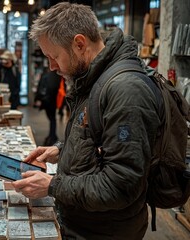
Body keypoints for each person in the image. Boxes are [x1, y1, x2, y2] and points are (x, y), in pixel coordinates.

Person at [11, 2, 162, 240]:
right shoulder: (93, 78)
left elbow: (120, 186)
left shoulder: (126, 91)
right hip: (84, 220)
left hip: (103, 231)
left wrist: (52, 186)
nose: (52, 67)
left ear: (80, 44)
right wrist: (61, 150)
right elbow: (98, 138)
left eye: (54, 56)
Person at [34, 69, 61, 146]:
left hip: (48, 101)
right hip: (51, 101)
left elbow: (42, 87)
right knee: (52, 118)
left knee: (52, 119)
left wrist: (39, 98)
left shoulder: (47, 75)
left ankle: (52, 136)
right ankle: (52, 135)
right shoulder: (56, 76)